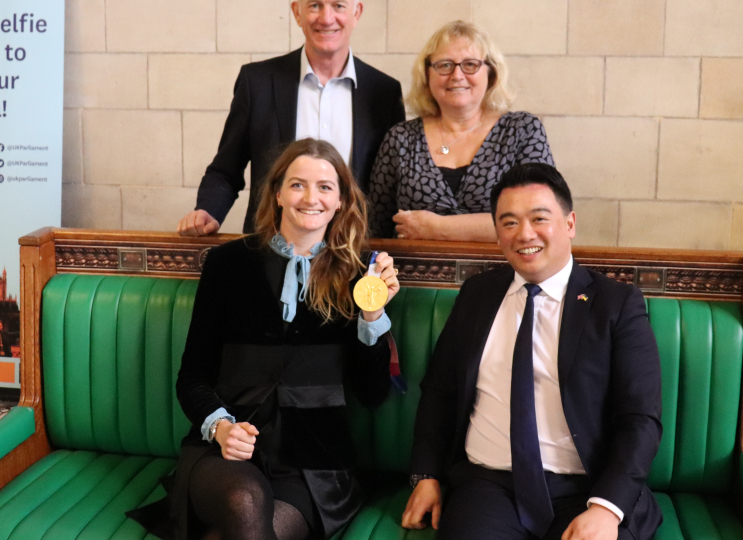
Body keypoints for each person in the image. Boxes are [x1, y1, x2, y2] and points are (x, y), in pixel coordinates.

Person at [134, 139, 400, 540]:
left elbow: (373, 393)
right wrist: (221, 427)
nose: (311, 197)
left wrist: (372, 314)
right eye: (297, 185)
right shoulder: (227, 264)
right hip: (225, 450)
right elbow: (192, 378)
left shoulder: (359, 275)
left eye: (325, 187)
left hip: (314, 466)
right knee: (244, 500)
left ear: (341, 200)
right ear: (276, 193)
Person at [402, 163, 662, 540]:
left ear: (570, 224)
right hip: (488, 487)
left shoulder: (616, 304)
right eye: (508, 223)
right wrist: (426, 476)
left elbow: (640, 418)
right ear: (497, 234)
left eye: (539, 218)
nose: (524, 234)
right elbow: (439, 391)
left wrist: (607, 508)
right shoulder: (477, 296)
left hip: (587, 486)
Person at [177, 0, 405, 237]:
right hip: (270, 248)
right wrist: (207, 210)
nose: (326, 18)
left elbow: (390, 187)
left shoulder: (384, 92)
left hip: (352, 252)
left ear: (356, 13)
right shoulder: (257, 82)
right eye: (315, 5)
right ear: (297, 12)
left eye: (338, 5)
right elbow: (226, 169)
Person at [368, 21, 554, 242]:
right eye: (445, 65)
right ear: (427, 75)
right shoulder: (400, 139)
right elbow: (375, 228)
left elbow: (540, 221)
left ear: (491, 73)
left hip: (504, 275)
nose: (457, 75)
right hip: (412, 275)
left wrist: (437, 228)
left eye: (470, 64)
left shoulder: (522, 131)